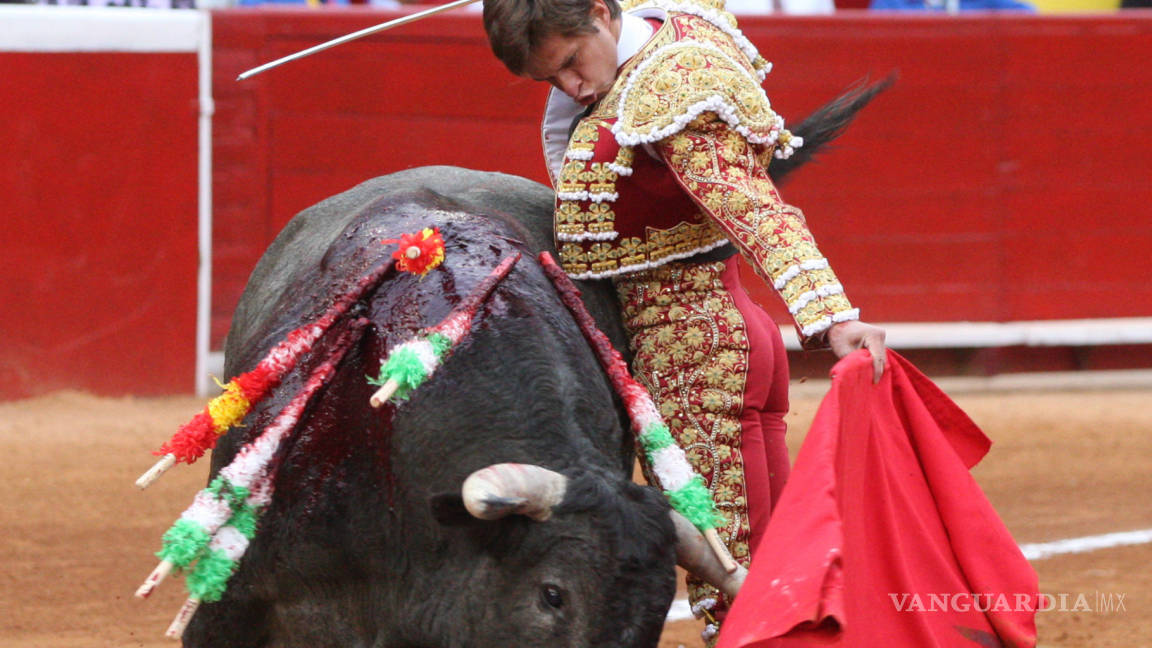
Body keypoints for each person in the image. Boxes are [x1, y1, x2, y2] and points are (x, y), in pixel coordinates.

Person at [481, 0, 887, 640]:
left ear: (599, 15)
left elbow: (754, 207)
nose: (571, 88)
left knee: (734, 573)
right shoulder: (659, 37)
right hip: (722, 337)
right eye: (550, 80)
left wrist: (831, 315)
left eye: (569, 63)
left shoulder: (671, 84)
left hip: (697, 354)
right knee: (774, 560)